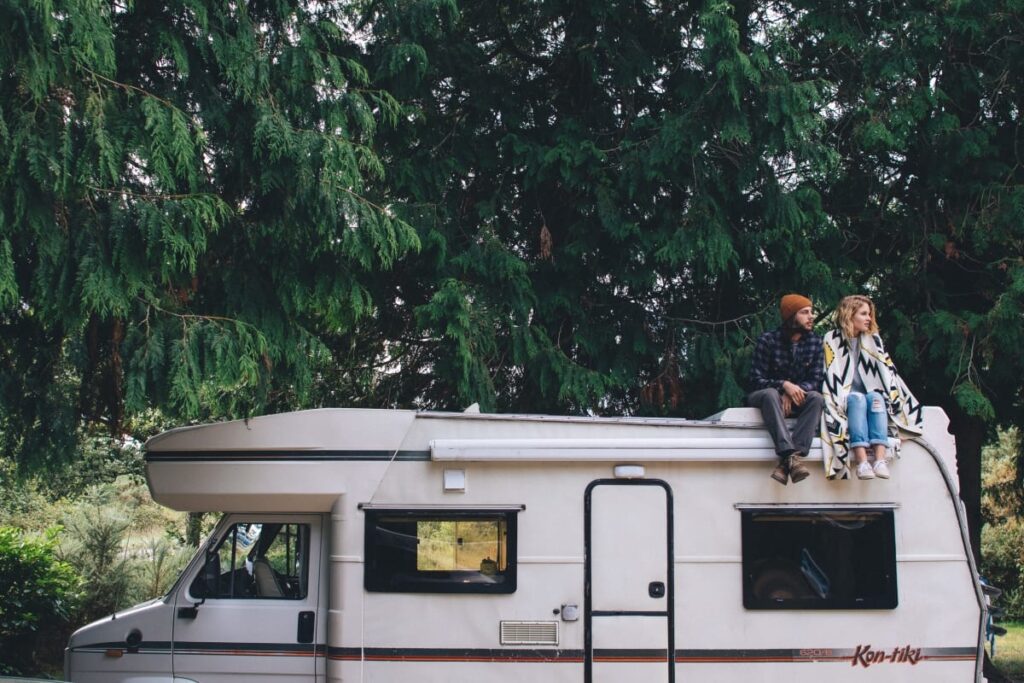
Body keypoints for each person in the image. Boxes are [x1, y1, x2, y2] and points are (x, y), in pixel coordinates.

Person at [820, 295, 924, 480]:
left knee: (876, 397)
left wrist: (895, 400)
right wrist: (839, 398)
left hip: (871, 395)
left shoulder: (872, 339)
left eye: (869, 314)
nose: (869, 318)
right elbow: (830, 374)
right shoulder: (832, 339)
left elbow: (887, 371)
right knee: (857, 399)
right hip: (845, 397)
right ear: (849, 314)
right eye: (864, 314)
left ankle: (879, 460)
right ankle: (862, 462)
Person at [748, 294, 825, 485]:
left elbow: (816, 380)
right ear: (791, 316)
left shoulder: (816, 342)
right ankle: (789, 453)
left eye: (811, 312)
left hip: (798, 399)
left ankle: (789, 459)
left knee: (816, 397)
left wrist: (794, 391)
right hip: (767, 397)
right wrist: (783, 385)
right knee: (770, 393)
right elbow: (755, 380)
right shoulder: (768, 340)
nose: (811, 317)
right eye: (805, 312)